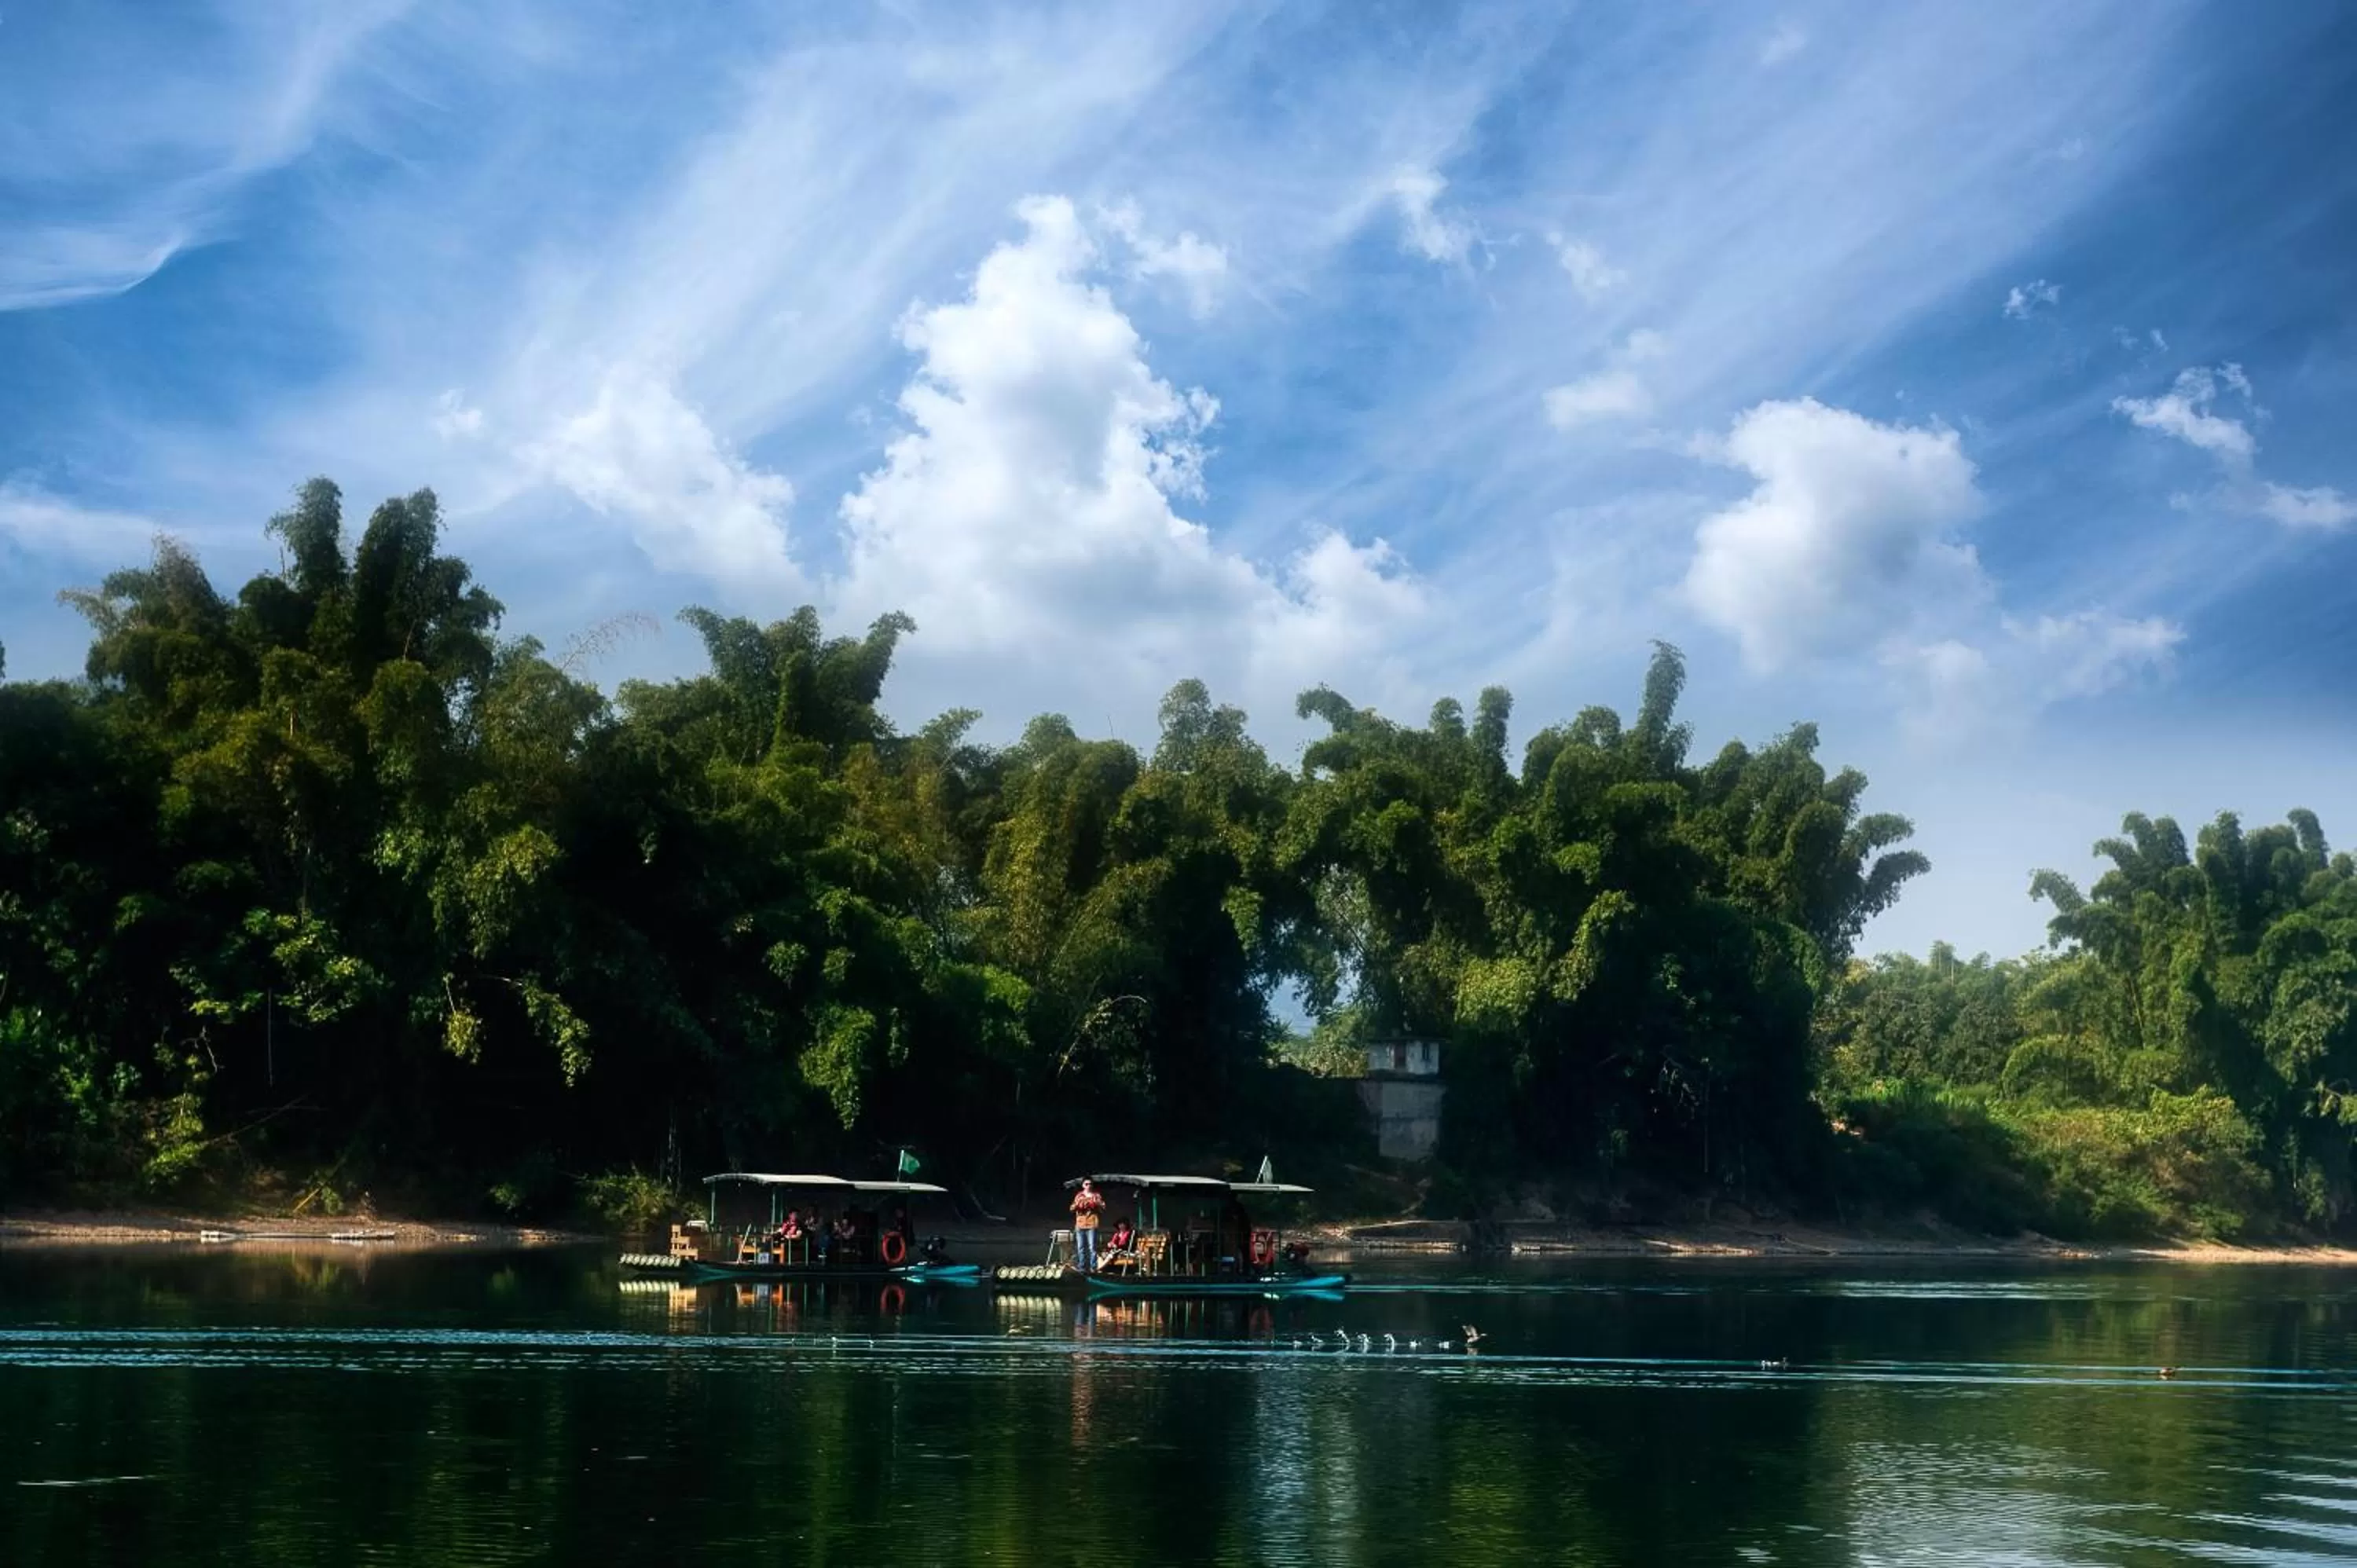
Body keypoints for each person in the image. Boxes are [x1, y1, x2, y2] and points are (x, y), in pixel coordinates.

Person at [1070, 1179, 1105, 1272]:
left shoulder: (1096, 1196)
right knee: (1081, 1248)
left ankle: (1093, 1268)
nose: (1088, 1185)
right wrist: (1078, 1204)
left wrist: (1096, 1203)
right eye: (1086, 1184)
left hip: (1092, 1224)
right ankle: (1082, 1267)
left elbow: (1103, 1208)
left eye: (1090, 1184)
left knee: (1092, 1248)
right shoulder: (1079, 1196)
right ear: (1083, 1185)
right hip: (1080, 1224)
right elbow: (1072, 1208)